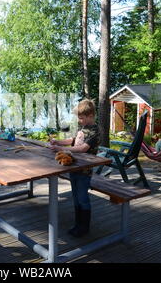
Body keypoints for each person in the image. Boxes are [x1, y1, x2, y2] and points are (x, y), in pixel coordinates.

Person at [48, 99, 99, 237]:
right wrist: (58, 142)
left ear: (90, 115)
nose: (79, 120)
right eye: (79, 118)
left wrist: (61, 148)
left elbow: (83, 148)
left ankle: (84, 227)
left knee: (83, 198)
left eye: (81, 118)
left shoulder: (95, 130)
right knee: (76, 197)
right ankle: (78, 224)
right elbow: (72, 140)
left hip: (85, 170)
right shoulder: (82, 128)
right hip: (74, 167)